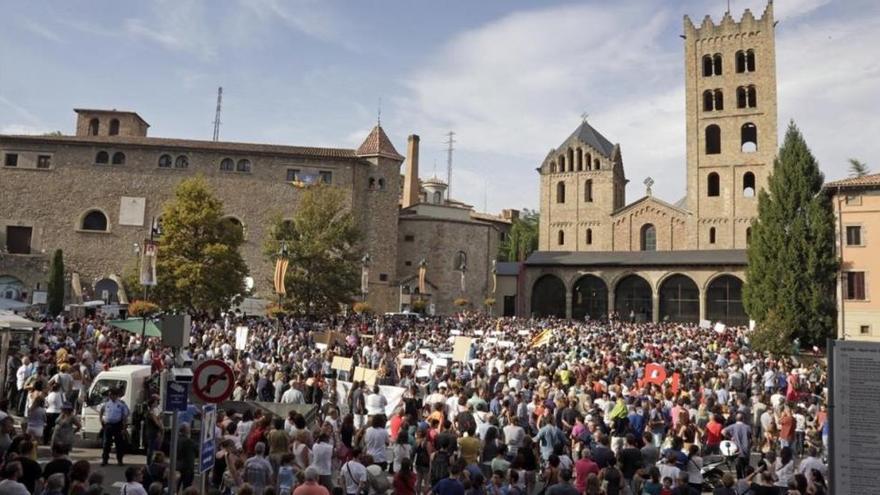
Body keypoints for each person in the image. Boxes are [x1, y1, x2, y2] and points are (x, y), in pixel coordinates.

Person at [99, 387, 130, 466]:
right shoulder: (106, 403)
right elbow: (101, 411)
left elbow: (125, 416)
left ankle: (120, 460)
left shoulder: (121, 404)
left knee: (119, 444)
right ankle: (105, 460)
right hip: (108, 425)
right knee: (106, 444)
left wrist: (124, 428)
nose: (110, 396)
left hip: (118, 425)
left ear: (116, 395)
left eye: (112, 395)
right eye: (109, 395)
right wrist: (101, 421)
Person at [721, 413, 751, 479]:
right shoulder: (747, 427)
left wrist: (730, 437)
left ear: (736, 419)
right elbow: (751, 438)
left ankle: (739, 484)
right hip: (746, 452)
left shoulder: (732, 426)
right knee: (746, 470)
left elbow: (722, 431)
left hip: (737, 452)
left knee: (739, 471)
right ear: (743, 419)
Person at [176, 424, 199, 491]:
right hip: (188, 468)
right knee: (187, 487)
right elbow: (197, 451)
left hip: (178, 466)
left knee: (176, 486)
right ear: (187, 431)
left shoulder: (176, 440)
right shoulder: (189, 441)